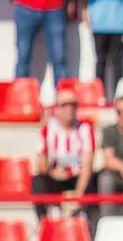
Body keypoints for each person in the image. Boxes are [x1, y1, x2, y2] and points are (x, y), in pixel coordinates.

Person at [32, 89, 96, 219]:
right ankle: (44, 223)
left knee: (95, 181)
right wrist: (51, 172)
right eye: (65, 105)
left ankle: (89, 223)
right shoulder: (47, 129)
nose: (69, 109)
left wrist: (78, 194)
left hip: (77, 176)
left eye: (73, 105)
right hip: (55, 176)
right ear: (57, 109)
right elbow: (41, 165)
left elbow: (87, 166)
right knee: (37, 181)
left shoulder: (85, 129)